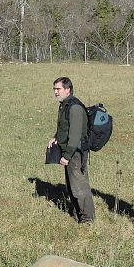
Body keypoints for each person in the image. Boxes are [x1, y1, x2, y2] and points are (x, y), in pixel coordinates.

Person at [48, 76, 95, 224]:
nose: (56, 92)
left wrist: (67, 156)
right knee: (72, 185)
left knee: (79, 186)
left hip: (75, 152)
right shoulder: (65, 105)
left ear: (67, 90)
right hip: (70, 150)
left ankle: (87, 219)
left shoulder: (74, 107)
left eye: (58, 89)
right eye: (54, 89)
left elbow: (75, 135)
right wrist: (55, 137)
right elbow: (64, 127)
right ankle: (77, 213)